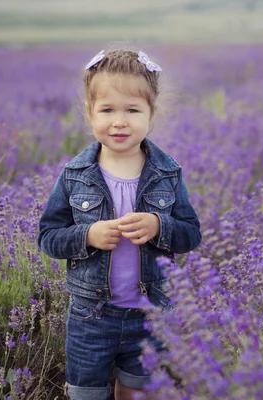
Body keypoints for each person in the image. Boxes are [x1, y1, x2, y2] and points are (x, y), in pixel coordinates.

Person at [38, 49, 202, 400]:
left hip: (149, 314)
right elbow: (48, 237)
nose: (119, 121)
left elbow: (191, 234)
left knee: (136, 388)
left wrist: (160, 226)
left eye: (132, 110)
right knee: (86, 392)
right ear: (90, 113)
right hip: (90, 317)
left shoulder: (167, 173)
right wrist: (88, 235)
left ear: (151, 115)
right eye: (107, 110)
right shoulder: (75, 175)